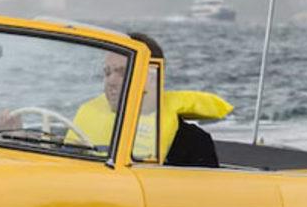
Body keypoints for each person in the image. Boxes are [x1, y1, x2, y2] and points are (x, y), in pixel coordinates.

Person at [67, 32, 231, 165]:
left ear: (152, 77)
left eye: (123, 72)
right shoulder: (83, 130)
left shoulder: (192, 143)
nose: (110, 81)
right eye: (107, 72)